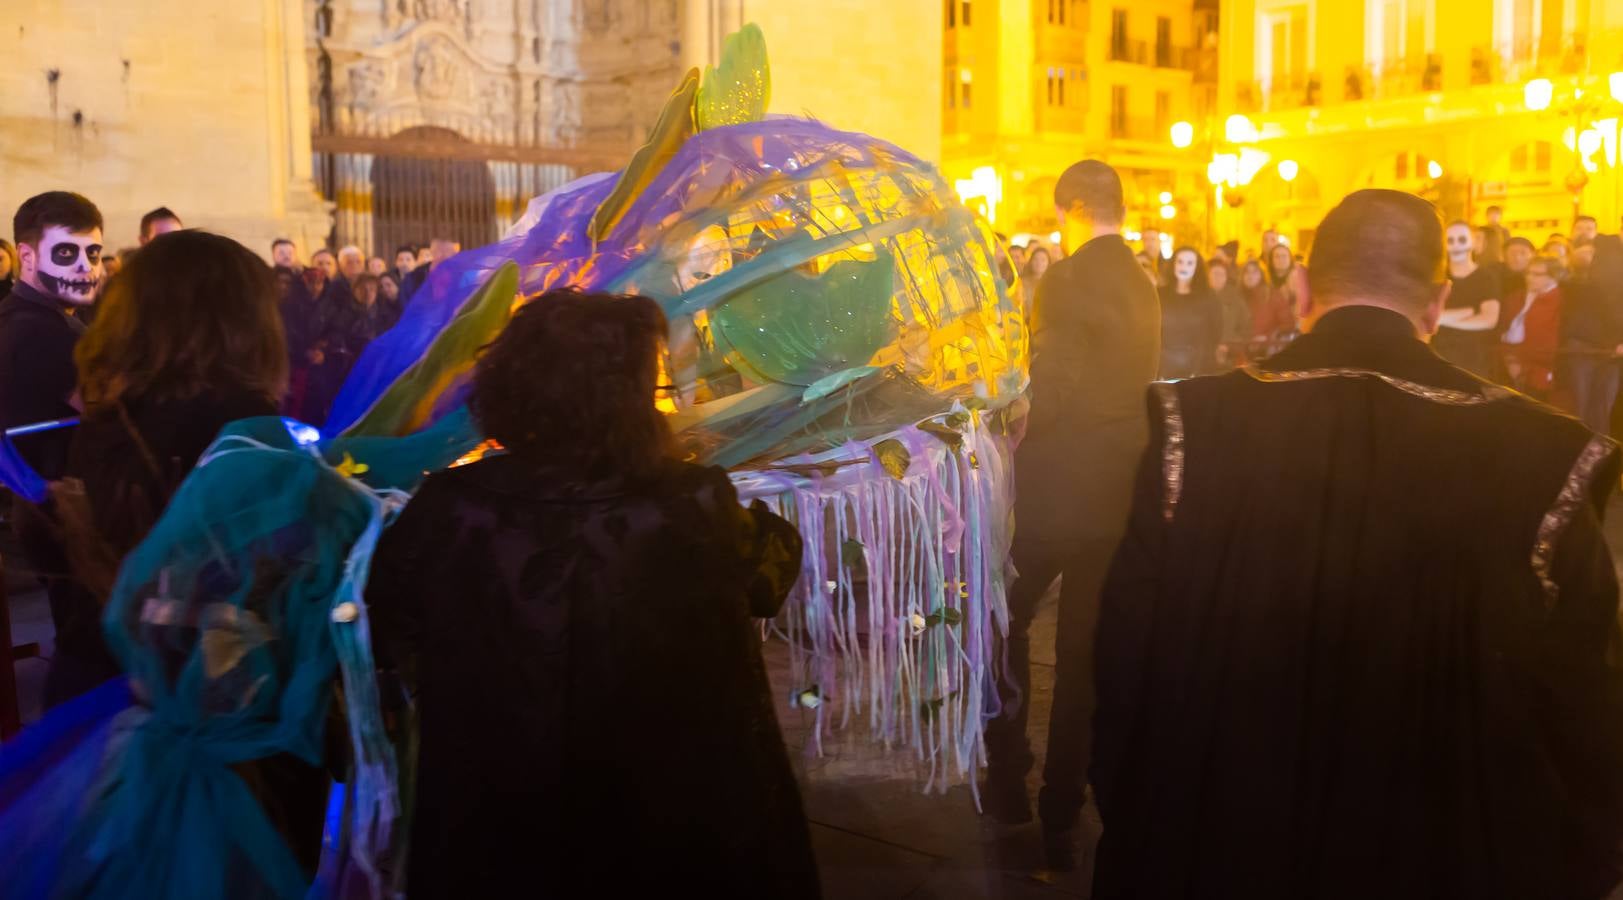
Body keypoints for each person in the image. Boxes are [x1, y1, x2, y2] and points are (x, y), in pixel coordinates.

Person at [1091, 188, 1623, 900]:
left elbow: (1125, 653)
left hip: (1226, 839)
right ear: (1436, 303)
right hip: (1444, 851)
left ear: (1303, 287)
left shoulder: (1196, 423)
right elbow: (1582, 697)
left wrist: (1138, 813)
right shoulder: (1540, 453)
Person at [364, 289, 820, 899]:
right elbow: (768, 576)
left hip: (499, 807)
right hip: (654, 811)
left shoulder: (454, 506)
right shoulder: (688, 501)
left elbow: (386, 620)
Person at [983, 160, 1160, 872]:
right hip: (1116, 493)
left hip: (1055, 490)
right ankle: (1062, 808)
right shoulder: (1143, 282)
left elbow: (1052, 386)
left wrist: (1006, 426)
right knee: (1083, 656)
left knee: (1003, 619)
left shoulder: (1065, 277)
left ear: (1075, 208)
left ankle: (1006, 781)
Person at [59, 230, 287, 675]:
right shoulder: (240, 417)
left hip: (98, 659)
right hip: (188, 679)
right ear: (237, 319)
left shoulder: (110, 408)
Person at [0, 192, 108, 705]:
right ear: (26, 255)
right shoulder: (45, 332)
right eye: (66, 253)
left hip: (41, 504)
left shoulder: (19, 317)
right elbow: (108, 414)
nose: (85, 267)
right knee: (86, 651)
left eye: (93, 254)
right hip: (67, 512)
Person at [1559, 234, 1623, 434]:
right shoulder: (1577, 284)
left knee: (1590, 406)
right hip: (1593, 348)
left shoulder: (1578, 283)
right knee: (1596, 407)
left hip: (1596, 348)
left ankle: (1591, 451)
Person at [1434, 220, 1503, 380]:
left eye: (1462, 240)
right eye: (1450, 241)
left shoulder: (1486, 277)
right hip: (1437, 359)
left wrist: (1441, 318)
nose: (1456, 245)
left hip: (1473, 363)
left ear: (1472, 243)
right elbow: (1423, 315)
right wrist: (1468, 313)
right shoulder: (1436, 277)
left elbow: (1488, 320)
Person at [1501, 255, 1565, 399]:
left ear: (1553, 277)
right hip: (1508, 365)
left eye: (1537, 274)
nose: (1529, 277)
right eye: (1528, 273)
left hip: (1541, 372)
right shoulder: (1516, 297)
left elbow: (1550, 339)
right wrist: (1510, 359)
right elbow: (1503, 329)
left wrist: (1523, 365)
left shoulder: (1561, 301)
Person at [1159, 247, 1221, 379]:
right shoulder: (1160, 295)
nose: (1184, 267)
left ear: (1196, 267)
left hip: (1197, 368)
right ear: (1173, 264)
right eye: (1180, 262)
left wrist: (1200, 370)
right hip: (1164, 367)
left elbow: (1214, 333)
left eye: (1189, 263)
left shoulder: (1208, 297)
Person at [1209, 257, 1249, 366]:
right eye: (1214, 273)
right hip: (1203, 355)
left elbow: (1245, 327)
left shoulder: (1235, 298)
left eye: (1221, 274)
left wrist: (1228, 345)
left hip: (1229, 356)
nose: (1218, 277)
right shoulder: (1200, 297)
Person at [1266, 242, 1309, 326]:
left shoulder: (1297, 278)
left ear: (1290, 258)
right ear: (1271, 260)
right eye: (1277, 256)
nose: (1281, 259)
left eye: (1284, 256)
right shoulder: (1267, 281)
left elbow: (1301, 308)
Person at [1020, 245, 1051, 310]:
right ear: (1031, 261)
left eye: (1043, 260)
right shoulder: (1022, 282)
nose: (1039, 263)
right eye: (1035, 259)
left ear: (1048, 263)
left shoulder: (1053, 283)